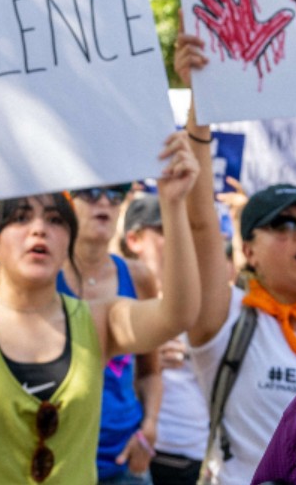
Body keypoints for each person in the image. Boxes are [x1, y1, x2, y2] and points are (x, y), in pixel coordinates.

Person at [0, 130, 216, 485]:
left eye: (54, 220)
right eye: (20, 218)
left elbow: (177, 315)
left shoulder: (99, 320)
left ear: (68, 241)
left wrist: (173, 204)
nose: (39, 229)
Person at [176, 35, 296, 484]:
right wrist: (200, 107)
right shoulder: (224, 321)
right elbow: (201, 223)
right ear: (247, 251)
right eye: (282, 225)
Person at [58, 184, 161, 484]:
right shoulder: (42, 276)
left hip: (124, 460)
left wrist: (150, 428)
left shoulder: (138, 276)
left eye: (116, 195)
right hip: (57, 457)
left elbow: (150, 372)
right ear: (68, 202)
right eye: (91, 193)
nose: (105, 202)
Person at [118, 194, 207, 485]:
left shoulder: (204, 300)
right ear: (134, 240)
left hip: (197, 456)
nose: (176, 237)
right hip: (135, 455)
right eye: (163, 229)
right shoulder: (114, 295)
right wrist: (146, 355)